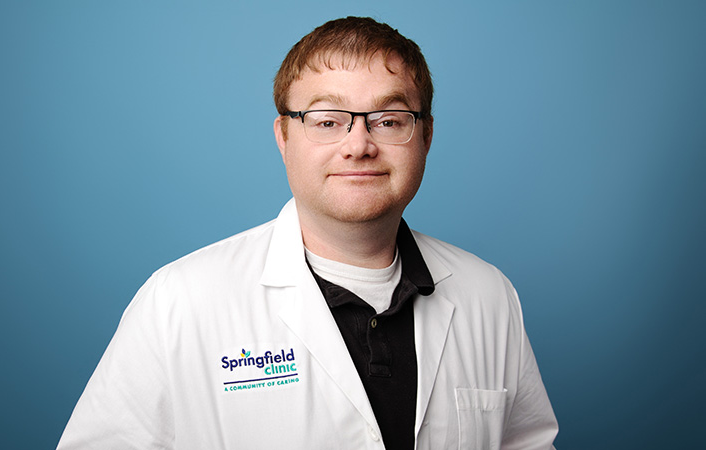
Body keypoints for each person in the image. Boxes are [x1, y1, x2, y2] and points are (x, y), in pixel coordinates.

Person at [57, 16, 558, 450]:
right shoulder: (180, 301)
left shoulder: (489, 295)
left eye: (388, 119)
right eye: (327, 120)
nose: (358, 144)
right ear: (284, 136)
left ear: (425, 135)